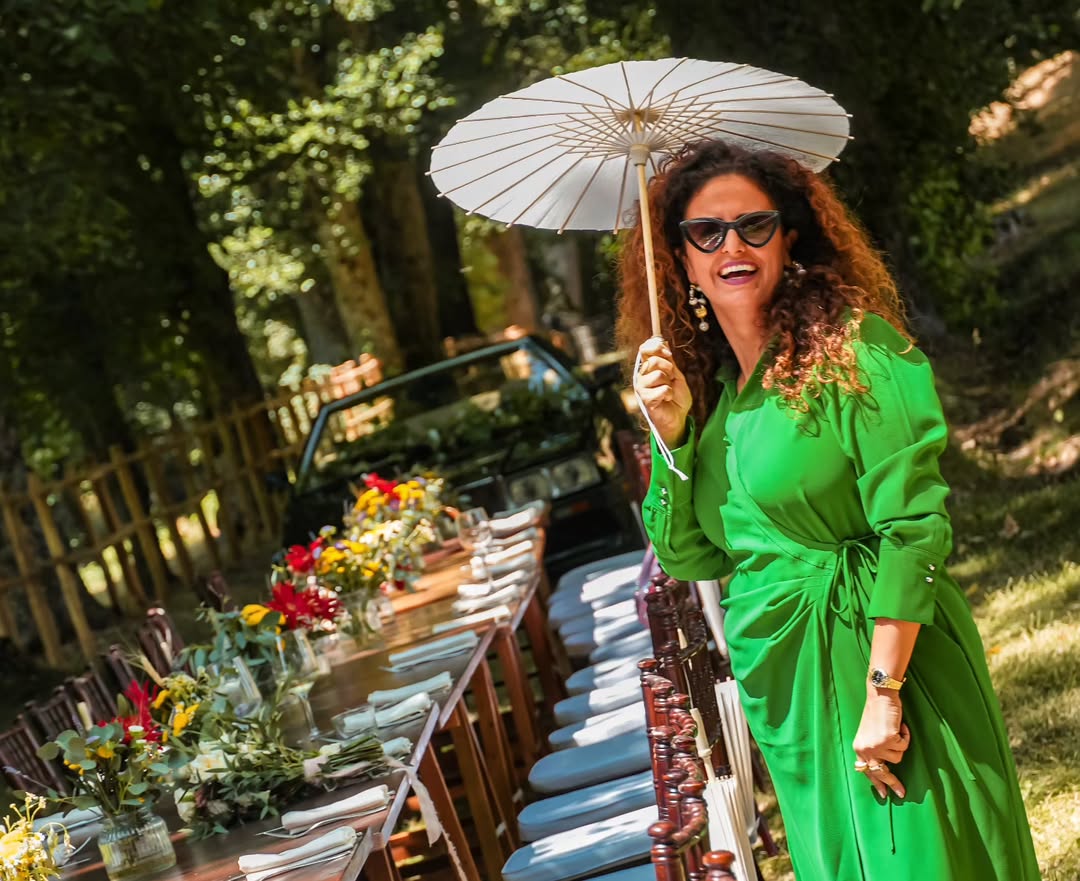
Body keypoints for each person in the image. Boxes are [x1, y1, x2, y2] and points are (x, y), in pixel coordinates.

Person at [618, 139, 1041, 880]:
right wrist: (672, 435)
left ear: (789, 236)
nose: (731, 246)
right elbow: (690, 556)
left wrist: (885, 693)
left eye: (753, 225)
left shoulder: (856, 352)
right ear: (679, 260)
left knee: (922, 859)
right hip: (788, 692)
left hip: (884, 659)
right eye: (706, 232)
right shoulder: (716, 402)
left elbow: (913, 529)